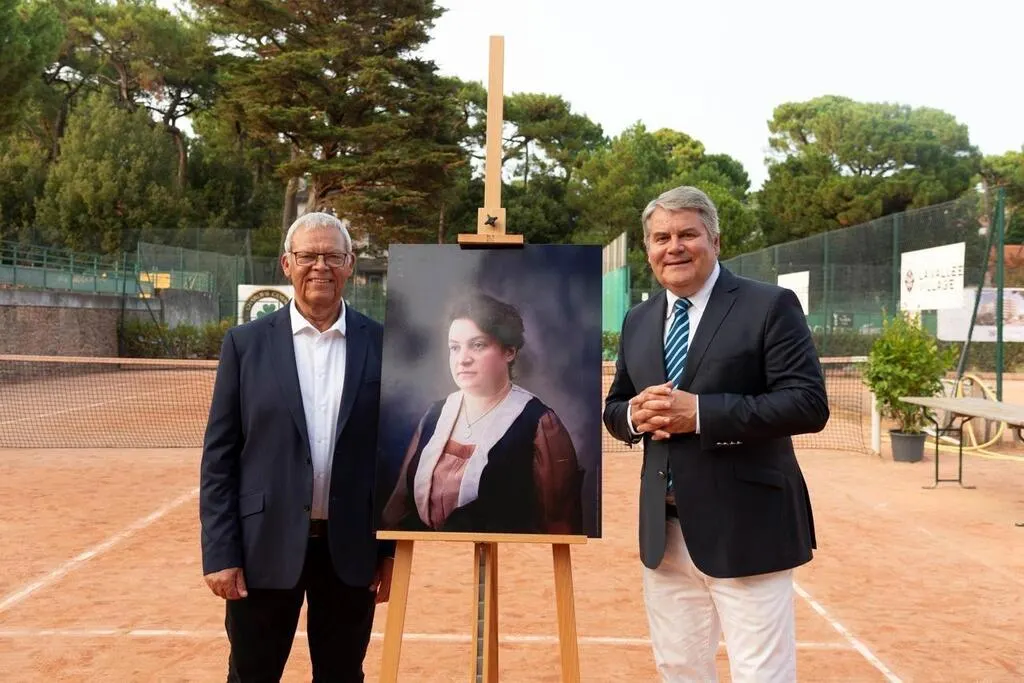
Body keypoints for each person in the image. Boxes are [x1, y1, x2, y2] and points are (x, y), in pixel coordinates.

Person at [603, 186, 829, 682]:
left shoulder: (769, 305)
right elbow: (616, 404)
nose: (674, 247)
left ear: (716, 240)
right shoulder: (638, 320)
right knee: (679, 669)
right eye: (661, 237)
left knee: (760, 674)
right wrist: (634, 417)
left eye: (688, 234)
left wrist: (701, 413)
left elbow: (808, 403)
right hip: (663, 535)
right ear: (648, 249)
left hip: (748, 527)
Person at [199, 212, 394, 683]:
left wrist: (388, 554)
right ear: (287, 264)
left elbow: (393, 456)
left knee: (343, 674)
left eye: (332, 256)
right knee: (252, 674)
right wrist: (220, 552)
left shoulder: (384, 344)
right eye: (308, 255)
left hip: (350, 551)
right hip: (261, 548)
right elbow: (219, 457)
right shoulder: (244, 345)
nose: (320, 266)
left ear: (350, 264)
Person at [380, 291, 584, 535]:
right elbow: (398, 504)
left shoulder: (540, 424)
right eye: (455, 348)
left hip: (515, 559)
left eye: (477, 345)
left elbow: (559, 523)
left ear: (509, 351)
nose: (462, 359)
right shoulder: (435, 414)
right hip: (435, 561)